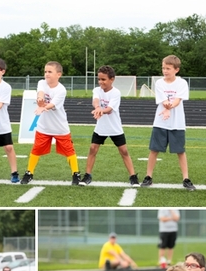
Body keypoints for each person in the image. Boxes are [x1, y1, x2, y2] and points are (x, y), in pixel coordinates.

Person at [20, 61, 79, 185]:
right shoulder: (41, 82)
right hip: (44, 127)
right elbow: (40, 92)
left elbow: (52, 105)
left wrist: (44, 107)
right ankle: (29, 173)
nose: (46, 74)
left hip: (59, 127)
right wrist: (40, 99)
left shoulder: (61, 90)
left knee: (69, 151)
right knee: (36, 149)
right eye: (45, 71)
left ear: (59, 74)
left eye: (50, 72)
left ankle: (76, 174)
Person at [78, 65, 138, 187]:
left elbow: (110, 109)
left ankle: (133, 177)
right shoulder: (97, 90)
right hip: (101, 127)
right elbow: (95, 100)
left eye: (103, 79)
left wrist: (100, 111)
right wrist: (97, 108)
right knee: (93, 149)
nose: (100, 82)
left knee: (124, 151)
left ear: (112, 79)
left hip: (115, 127)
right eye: (99, 79)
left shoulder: (116, 93)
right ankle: (87, 175)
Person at [142, 56, 194, 190]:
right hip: (160, 122)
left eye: (168, 68)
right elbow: (163, 100)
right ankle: (148, 176)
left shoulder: (182, 83)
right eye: (163, 68)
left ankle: (186, 179)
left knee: (180, 151)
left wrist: (168, 109)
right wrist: (166, 109)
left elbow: (177, 100)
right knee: (154, 150)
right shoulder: (159, 83)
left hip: (177, 123)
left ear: (176, 70)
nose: (165, 71)